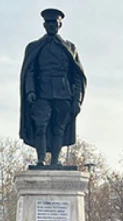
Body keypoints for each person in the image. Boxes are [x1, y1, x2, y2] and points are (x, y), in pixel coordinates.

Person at [19, 8, 87, 166]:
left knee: (59, 129)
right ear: (44, 25)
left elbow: (77, 76)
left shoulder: (70, 47)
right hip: (41, 93)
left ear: (60, 25)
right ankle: (41, 159)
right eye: (48, 23)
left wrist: (77, 100)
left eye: (54, 23)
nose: (51, 26)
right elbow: (30, 71)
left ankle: (55, 161)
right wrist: (30, 90)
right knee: (40, 126)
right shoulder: (34, 47)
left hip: (63, 93)